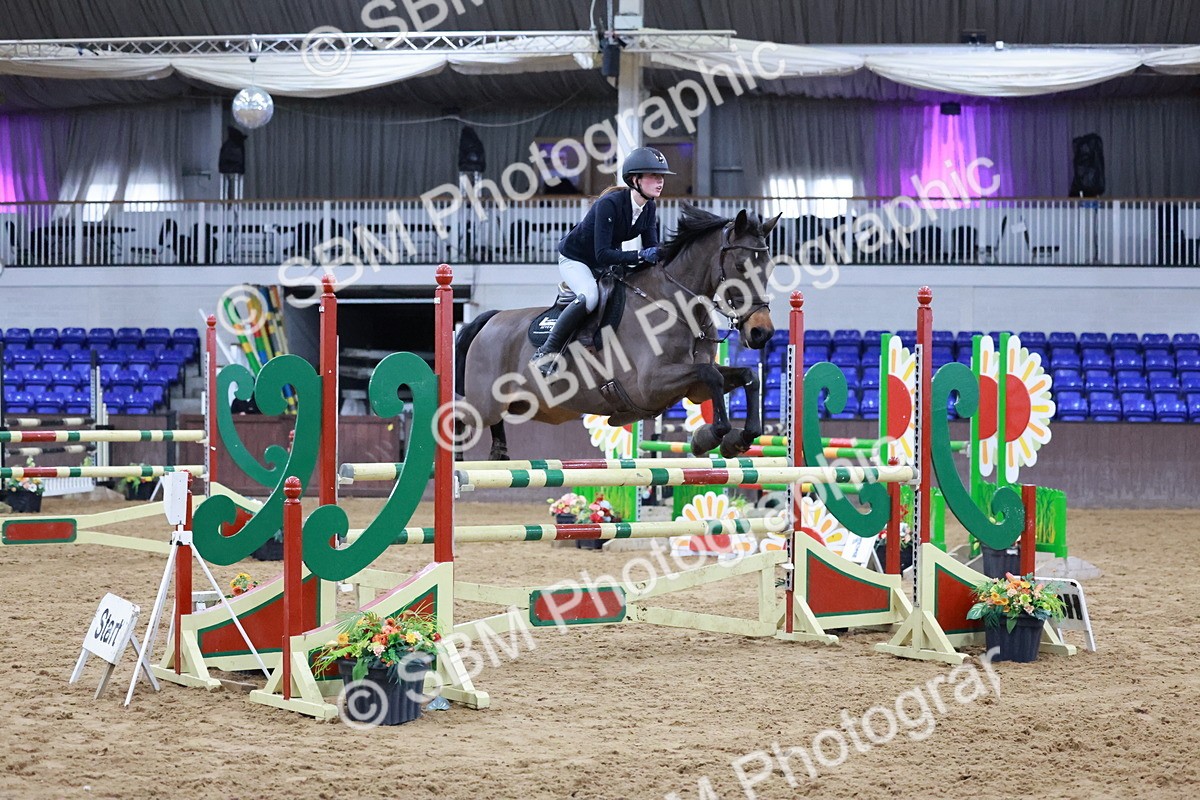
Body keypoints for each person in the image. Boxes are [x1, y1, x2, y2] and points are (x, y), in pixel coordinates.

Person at [530, 146, 674, 375]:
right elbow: (603, 254)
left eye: (661, 177)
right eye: (654, 176)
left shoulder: (649, 207)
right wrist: (639, 256)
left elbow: (651, 249)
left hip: (605, 262)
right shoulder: (610, 204)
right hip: (576, 259)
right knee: (590, 297)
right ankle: (548, 351)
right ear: (635, 179)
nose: (660, 182)